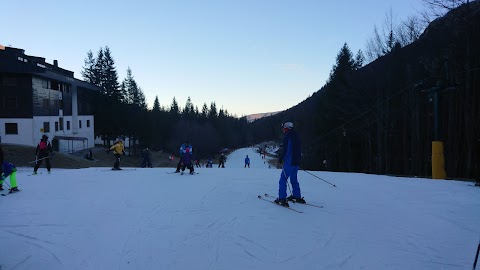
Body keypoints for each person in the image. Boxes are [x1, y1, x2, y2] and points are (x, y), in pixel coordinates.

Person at [275, 122, 305, 207]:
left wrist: (281, 158)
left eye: (284, 128)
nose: (283, 130)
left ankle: (282, 198)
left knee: (283, 179)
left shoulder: (287, 137)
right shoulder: (297, 136)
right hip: (296, 162)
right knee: (293, 178)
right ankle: (296, 196)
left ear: (287, 128)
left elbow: (286, 150)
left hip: (289, 161)